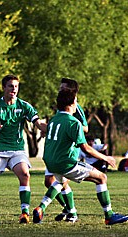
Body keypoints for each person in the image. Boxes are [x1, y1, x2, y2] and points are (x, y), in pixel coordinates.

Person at [32, 88, 128, 225]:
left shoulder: (54, 120)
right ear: (72, 103)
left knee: (60, 182)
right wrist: (105, 158)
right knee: (102, 178)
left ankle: (40, 208)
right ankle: (109, 215)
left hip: (50, 162)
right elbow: (86, 148)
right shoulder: (73, 122)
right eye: (76, 101)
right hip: (66, 163)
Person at [0, 74, 46, 224]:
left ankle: (24, 213)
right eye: (11, 86)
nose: (14, 89)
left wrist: (51, 128)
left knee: (25, 174)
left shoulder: (24, 106)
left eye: (16, 86)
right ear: (4, 88)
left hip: (16, 148)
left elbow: (38, 123)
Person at [44, 78, 88, 222]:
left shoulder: (76, 107)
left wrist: (69, 129)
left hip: (68, 151)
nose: (60, 90)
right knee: (50, 181)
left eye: (63, 88)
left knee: (59, 181)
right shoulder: (60, 107)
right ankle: (68, 209)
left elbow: (85, 128)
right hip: (56, 150)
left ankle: (69, 211)